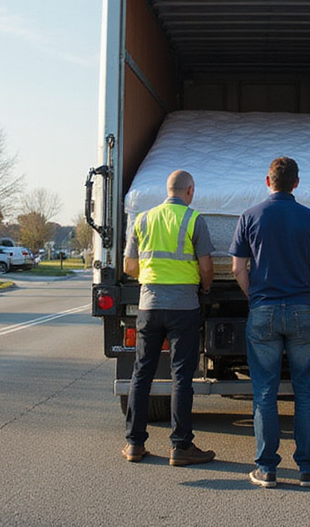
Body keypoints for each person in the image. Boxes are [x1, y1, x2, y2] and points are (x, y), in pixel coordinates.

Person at [230, 157, 310, 488]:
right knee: (305, 391)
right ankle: (307, 468)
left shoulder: (249, 217)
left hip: (263, 309)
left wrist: (253, 296)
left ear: (267, 181)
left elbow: (237, 268)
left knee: (264, 392)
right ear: (296, 183)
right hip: (302, 308)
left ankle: (267, 469)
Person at [122, 169, 216, 467]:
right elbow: (206, 266)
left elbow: (128, 266)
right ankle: (180, 446)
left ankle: (134, 444)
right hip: (183, 307)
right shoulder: (193, 219)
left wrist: (150, 278)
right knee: (181, 377)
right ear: (190, 191)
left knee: (141, 374)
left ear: (168, 190)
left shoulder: (143, 219)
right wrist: (206, 287)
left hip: (149, 306)